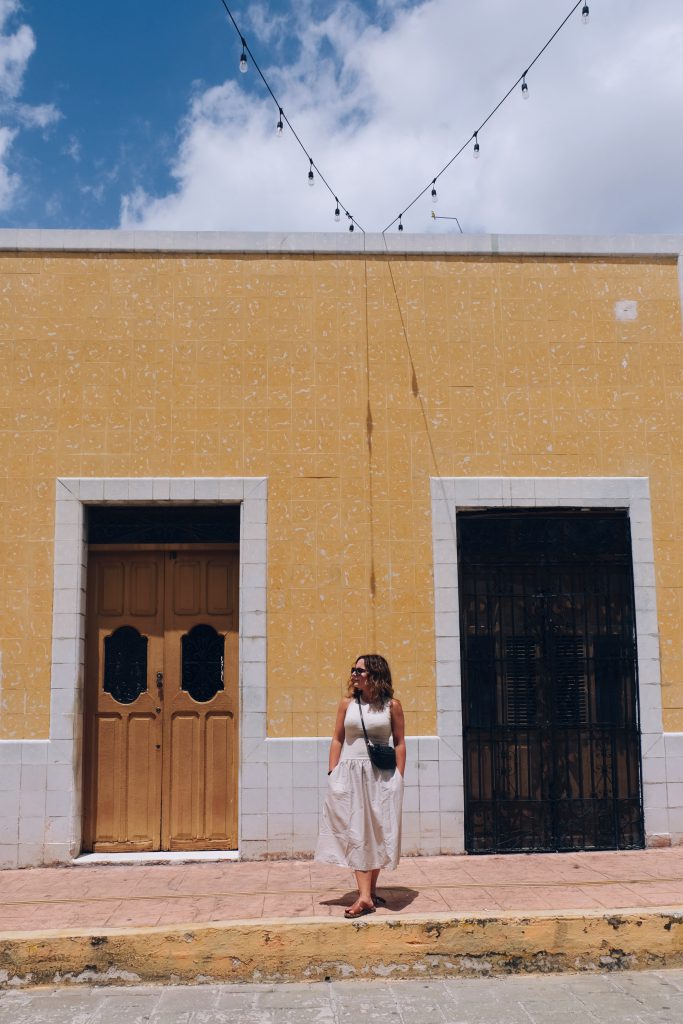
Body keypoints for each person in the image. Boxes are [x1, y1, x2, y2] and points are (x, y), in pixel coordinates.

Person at [315, 653, 406, 919]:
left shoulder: (392, 706)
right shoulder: (347, 704)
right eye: (353, 669)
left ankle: (370, 891)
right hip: (350, 774)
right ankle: (365, 897)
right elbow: (337, 739)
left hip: (382, 775)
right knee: (357, 833)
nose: (354, 674)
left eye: (360, 671)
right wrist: (333, 772)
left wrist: (399, 778)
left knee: (377, 832)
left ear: (375, 675)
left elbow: (400, 742)